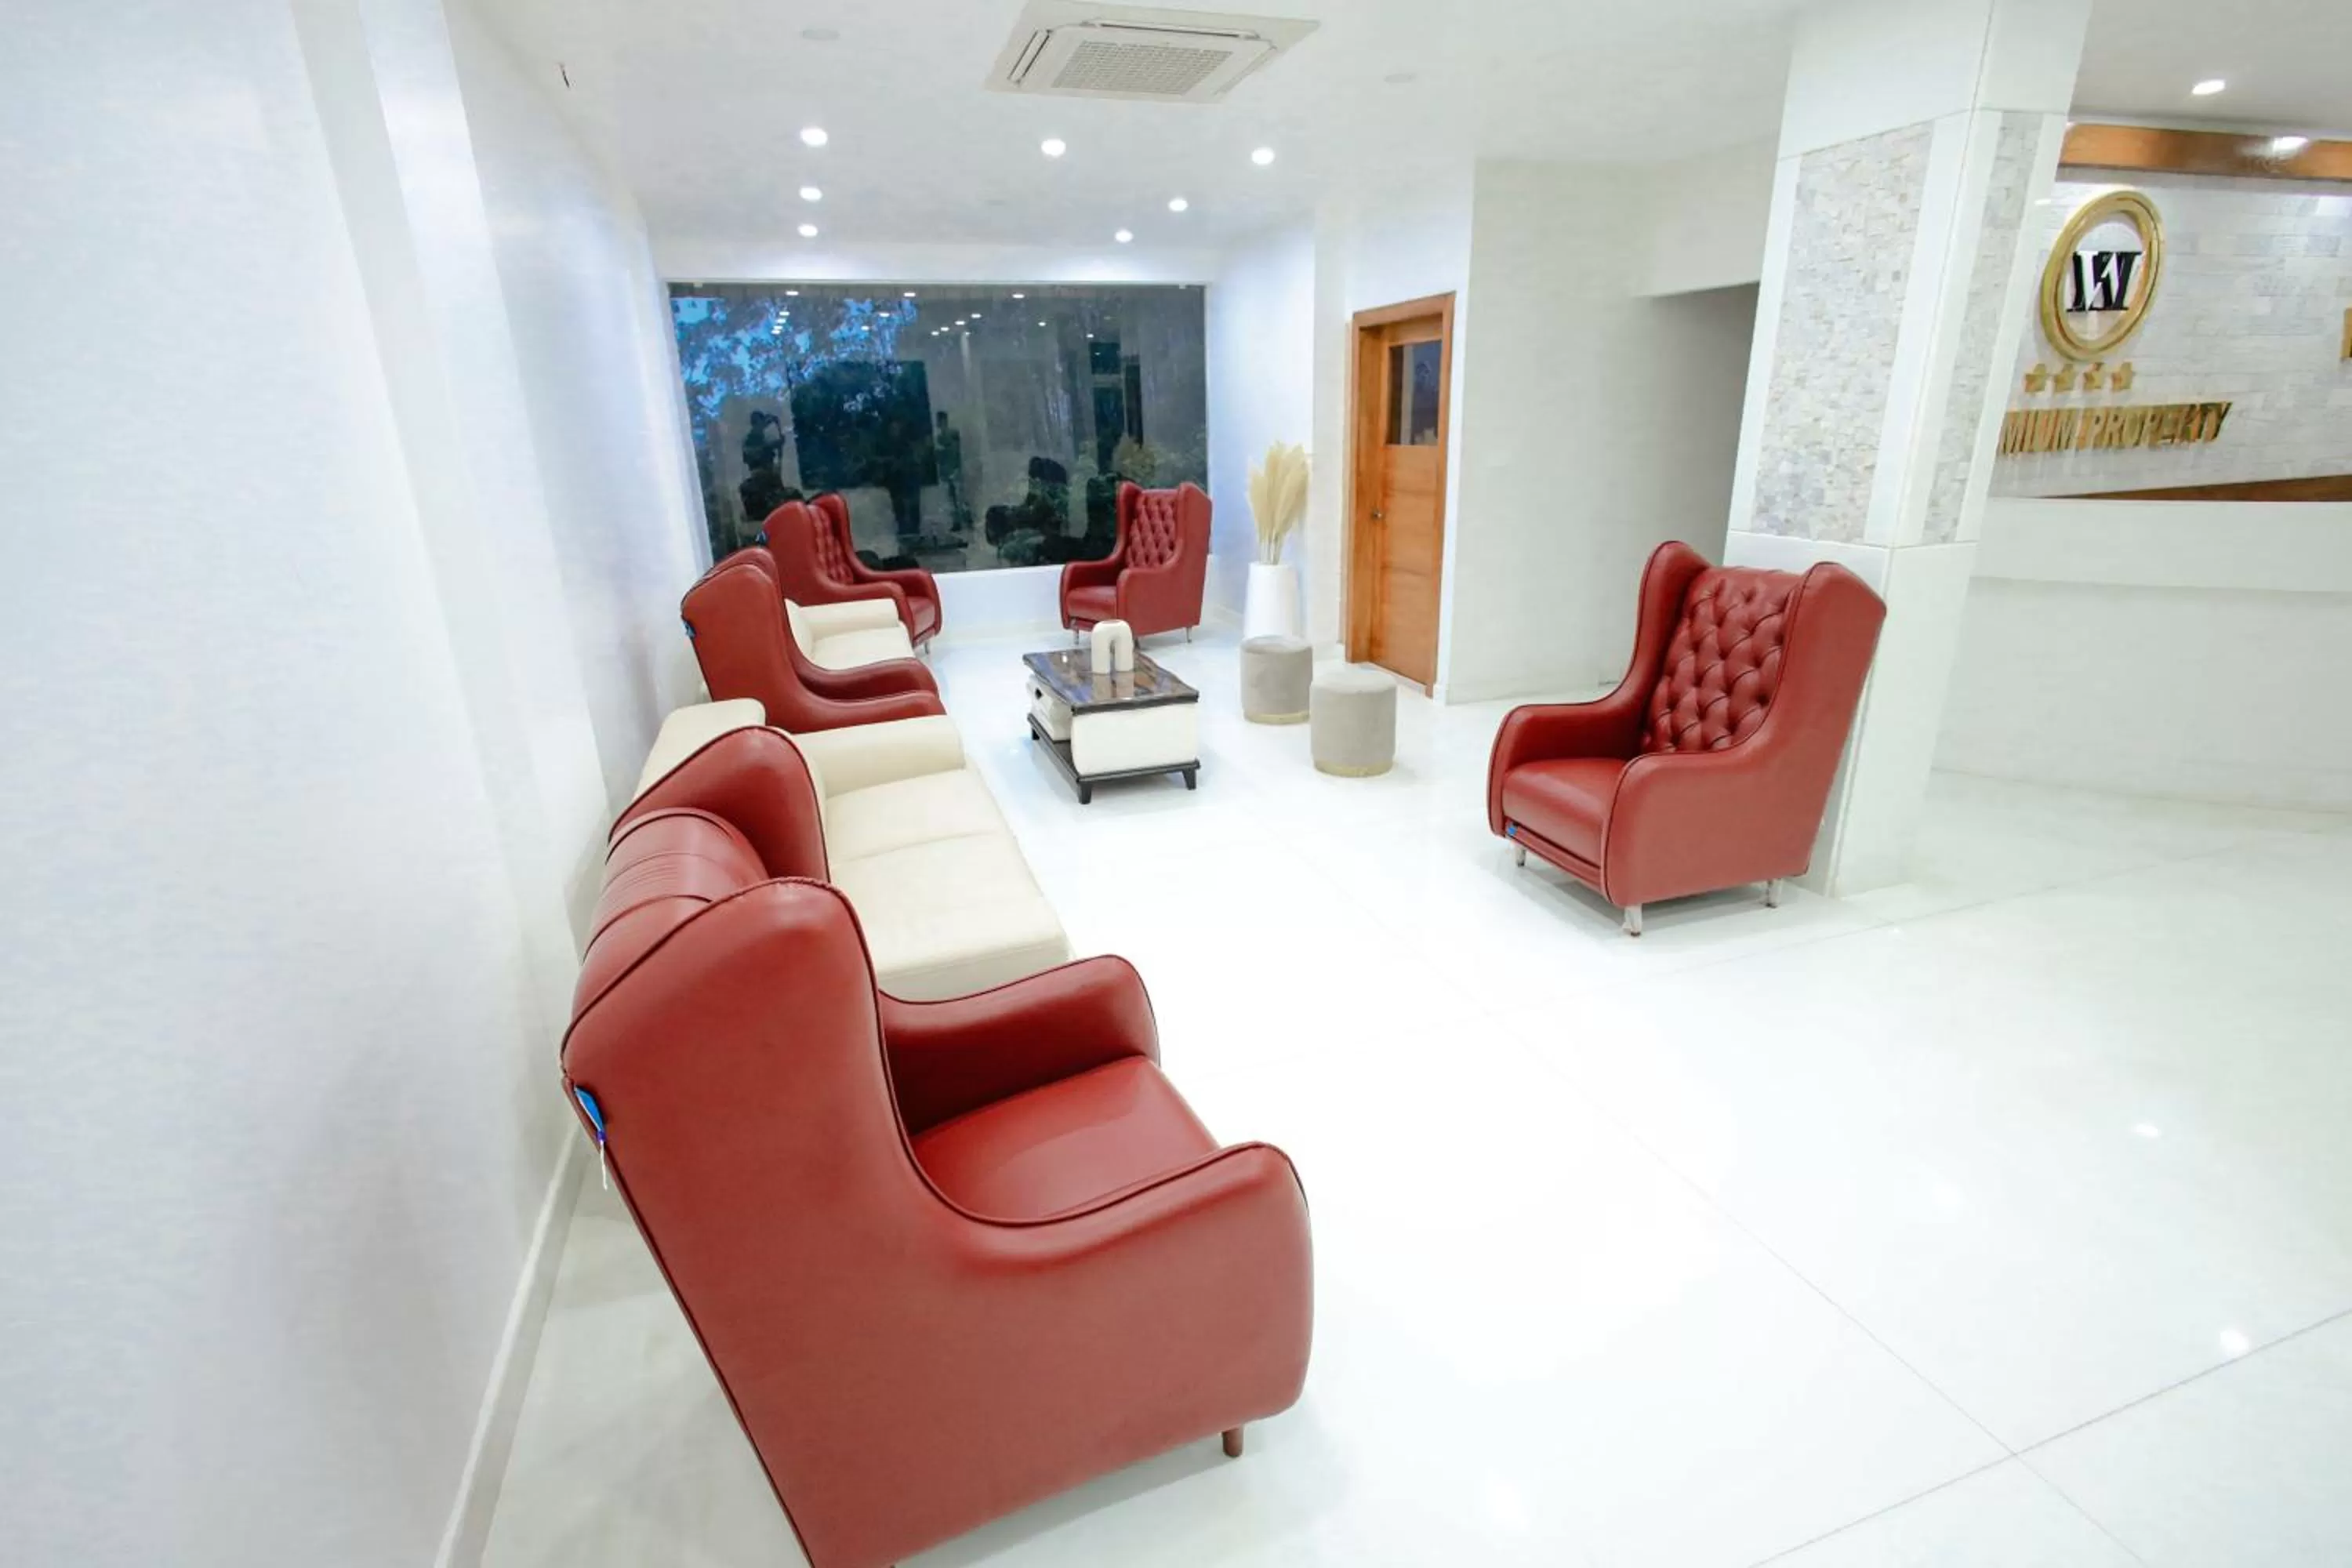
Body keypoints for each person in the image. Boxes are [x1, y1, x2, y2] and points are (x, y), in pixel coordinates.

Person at [935, 410, 970, 533]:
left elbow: (955, 451)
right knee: (952, 498)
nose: (937, 423)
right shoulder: (939, 437)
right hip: (946, 470)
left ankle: (966, 519)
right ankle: (957, 522)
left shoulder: (952, 434)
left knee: (960, 496)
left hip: (954, 469)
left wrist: (955, 468)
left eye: (939, 420)